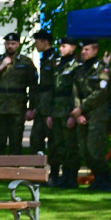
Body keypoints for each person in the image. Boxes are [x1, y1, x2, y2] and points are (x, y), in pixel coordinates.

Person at [0, 32, 38, 155]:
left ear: (18, 44)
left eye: (13, 43)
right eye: (8, 43)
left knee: (16, 142)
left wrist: (31, 108)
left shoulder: (26, 62)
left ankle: (15, 171)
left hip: (17, 107)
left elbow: (33, 86)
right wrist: (1, 67)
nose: (10, 46)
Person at [71, 40, 111, 191]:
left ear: (95, 51)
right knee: (84, 150)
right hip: (82, 115)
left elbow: (100, 92)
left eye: (87, 49)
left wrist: (81, 108)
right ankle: (97, 178)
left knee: (95, 149)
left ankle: (105, 179)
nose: (83, 52)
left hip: (96, 114)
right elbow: (75, 91)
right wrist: (77, 112)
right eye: (82, 49)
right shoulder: (80, 70)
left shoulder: (102, 69)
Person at [48, 38, 80, 188]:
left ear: (73, 47)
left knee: (70, 146)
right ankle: (63, 175)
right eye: (60, 46)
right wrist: (49, 113)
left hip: (68, 110)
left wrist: (73, 114)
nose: (60, 49)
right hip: (56, 110)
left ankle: (71, 176)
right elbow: (53, 90)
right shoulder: (58, 64)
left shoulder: (76, 65)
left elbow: (75, 92)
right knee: (59, 145)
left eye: (64, 46)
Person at [30, 31, 57, 158]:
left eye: (37, 42)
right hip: (41, 105)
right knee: (36, 138)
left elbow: (54, 86)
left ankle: (55, 171)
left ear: (45, 42)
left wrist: (51, 110)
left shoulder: (55, 59)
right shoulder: (45, 58)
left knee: (53, 140)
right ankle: (37, 169)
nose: (36, 45)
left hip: (50, 106)